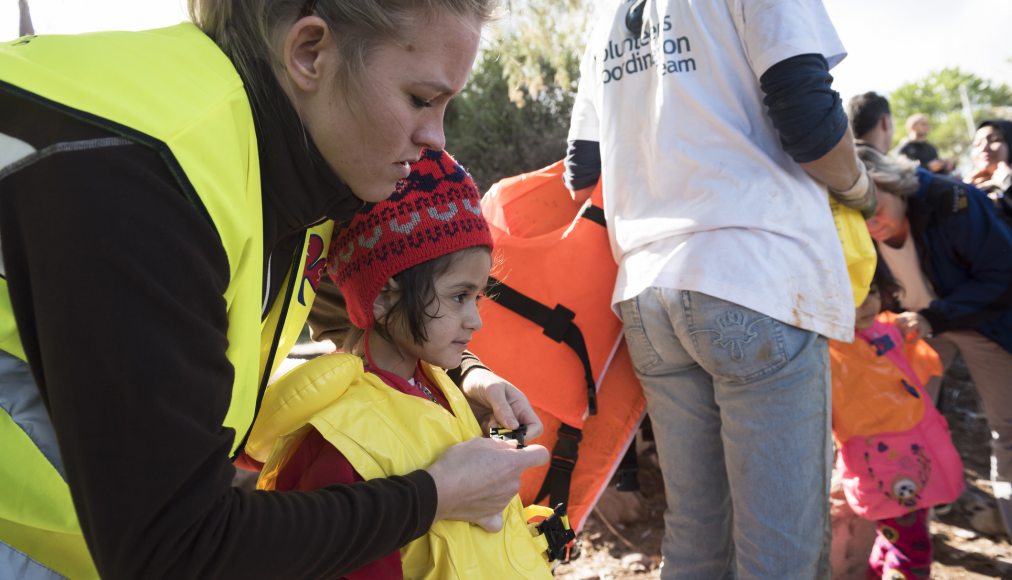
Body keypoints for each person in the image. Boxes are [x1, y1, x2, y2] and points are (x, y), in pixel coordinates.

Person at [0, 1, 551, 578]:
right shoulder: (142, 175)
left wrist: (466, 373)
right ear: (309, 53)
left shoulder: (293, 163)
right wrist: (432, 497)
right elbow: (179, 551)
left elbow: (365, 310)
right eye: (420, 98)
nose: (436, 138)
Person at [564, 1, 876, 577]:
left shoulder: (607, 15)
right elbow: (810, 123)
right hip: (753, 274)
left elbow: (581, 170)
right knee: (780, 554)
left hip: (647, 290)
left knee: (697, 538)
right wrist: (861, 190)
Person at [246, 148, 555, 579]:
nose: (476, 320)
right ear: (387, 294)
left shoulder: (435, 386)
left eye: (479, 297)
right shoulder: (346, 439)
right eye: (459, 296)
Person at [858, 144, 1012, 540]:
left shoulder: (950, 200)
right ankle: (909, 538)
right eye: (856, 212)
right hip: (916, 326)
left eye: (874, 202)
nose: (870, 220)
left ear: (892, 183)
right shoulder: (856, 225)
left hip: (985, 319)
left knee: (1007, 429)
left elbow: (1002, 276)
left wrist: (932, 318)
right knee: (900, 427)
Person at [830, 260, 962, 579]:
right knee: (911, 550)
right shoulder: (831, 350)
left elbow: (916, 368)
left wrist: (907, 330)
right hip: (887, 469)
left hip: (917, 457)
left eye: (870, 291)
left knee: (897, 543)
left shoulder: (884, 329)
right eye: (852, 296)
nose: (864, 304)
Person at [966, 119, 1012, 223]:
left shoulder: (1009, 182)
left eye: (994, 140)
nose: (984, 148)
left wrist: (1008, 183)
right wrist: (966, 192)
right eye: (977, 144)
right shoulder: (970, 187)